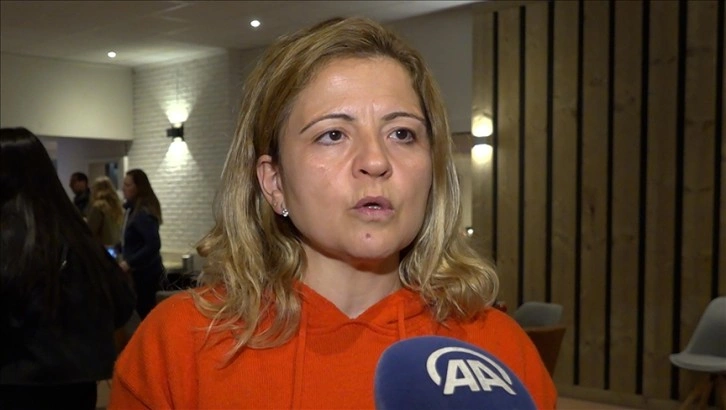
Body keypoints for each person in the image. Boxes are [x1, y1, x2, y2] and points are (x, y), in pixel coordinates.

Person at [109, 17, 557, 409]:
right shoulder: (178, 345)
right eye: (333, 135)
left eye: (402, 133)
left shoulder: (497, 349)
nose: (376, 160)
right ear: (274, 182)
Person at [0, 127, 136, 409]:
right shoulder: (76, 235)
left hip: (13, 385)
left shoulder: (9, 238)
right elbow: (122, 303)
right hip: (76, 386)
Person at [119, 168, 164, 320]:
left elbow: (153, 244)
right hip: (137, 273)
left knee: (146, 312)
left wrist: (129, 262)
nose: (123, 188)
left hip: (145, 274)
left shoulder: (143, 213)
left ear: (138, 188)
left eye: (128, 185)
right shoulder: (131, 210)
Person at [87, 176, 124, 248]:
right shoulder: (117, 205)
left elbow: (91, 230)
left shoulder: (99, 206)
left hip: (102, 247)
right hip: (115, 247)